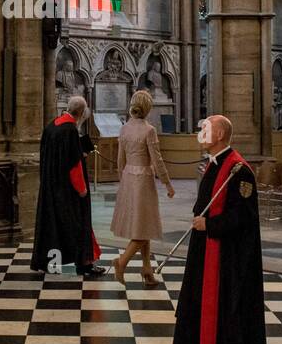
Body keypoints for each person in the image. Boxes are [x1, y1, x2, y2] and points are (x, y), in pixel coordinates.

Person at [167, 115, 265, 344]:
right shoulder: (213, 165)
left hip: (227, 255)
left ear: (220, 134)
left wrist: (209, 225)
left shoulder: (239, 170)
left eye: (205, 129)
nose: (200, 133)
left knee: (227, 305)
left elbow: (243, 216)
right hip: (206, 246)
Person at [30, 95, 105, 278]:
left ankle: (47, 262)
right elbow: (74, 165)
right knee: (79, 225)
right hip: (68, 190)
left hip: (51, 187)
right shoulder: (70, 130)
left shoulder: (52, 125)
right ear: (80, 112)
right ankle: (85, 264)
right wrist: (82, 190)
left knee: (52, 226)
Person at [111, 90, 175, 286]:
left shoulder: (124, 129)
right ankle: (121, 262)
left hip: (128, 178)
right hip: (143, 180)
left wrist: (122, 178)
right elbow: (157, 160)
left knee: (143, 224)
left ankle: (147, 269)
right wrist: (167, 183)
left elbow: (120, 159)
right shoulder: (149, 130)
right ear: (148, 108)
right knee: (141, 230)